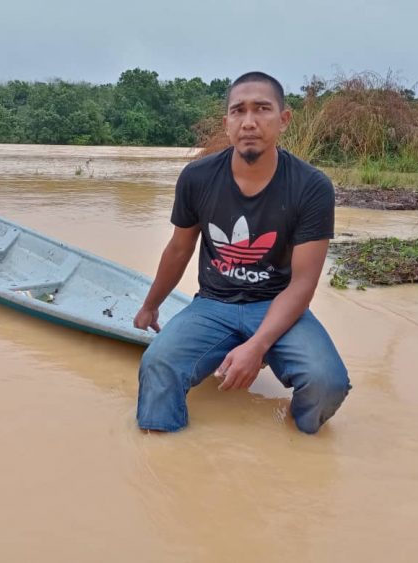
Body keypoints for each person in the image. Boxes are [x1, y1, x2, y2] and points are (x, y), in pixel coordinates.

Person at [133, 71, 350, 434]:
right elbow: (179, 248)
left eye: (262, 109)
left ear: (284, 120)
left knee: (327, 382)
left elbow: (303, 283)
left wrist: (258, 346)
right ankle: (163, 455)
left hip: (277, 303)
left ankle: (299, 437)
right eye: (239, 111)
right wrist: (151, 304)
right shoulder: (197, 178)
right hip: (213, 304)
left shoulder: (311, 187)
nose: (249, 122)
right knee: (158, 365)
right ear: (227, 122)